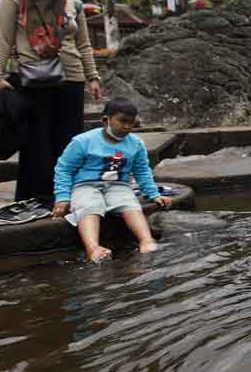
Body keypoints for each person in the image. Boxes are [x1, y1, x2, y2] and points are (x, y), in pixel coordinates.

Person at [0, 0, 102, 204]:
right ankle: (38, 197)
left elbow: (83, 44)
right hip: (33, 78)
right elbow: (2, 39)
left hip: (71, 79)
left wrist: (93, 76)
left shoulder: (72, 3)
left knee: (69, 141)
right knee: (36, 141)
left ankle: (68, 195)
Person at [52, 98, 171, 262]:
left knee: (129, 203)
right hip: (85, 186)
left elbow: (142, 170)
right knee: (88, 206)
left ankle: (146, 239)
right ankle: (93, 247)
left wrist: (153, 194)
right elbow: (64, 169)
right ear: (105, 120)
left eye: (131, 123)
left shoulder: (135, 144)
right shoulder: (83, 141)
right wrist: (63, 197)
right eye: (123, 121)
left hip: (118, 185)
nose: (128, 127)